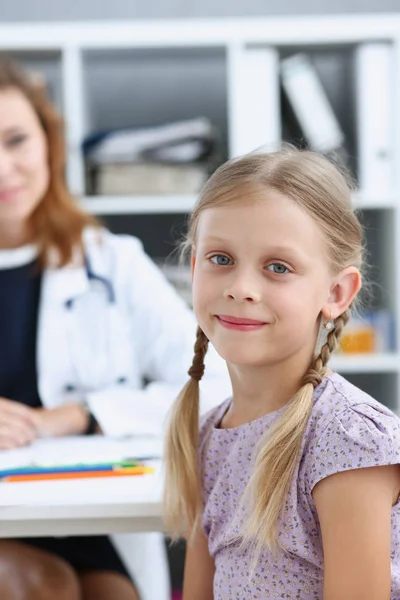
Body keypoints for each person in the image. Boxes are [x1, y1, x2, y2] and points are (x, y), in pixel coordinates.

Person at [0, 58, 231, 600]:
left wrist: (83, 414)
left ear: (49, 145)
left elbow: (214, 384)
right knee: (40, 585)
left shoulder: (111, 262)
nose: (3, 168)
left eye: (15, 141)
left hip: (79, 509)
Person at [164, 148, 400, 599]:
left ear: (336, 292)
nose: (240, 289)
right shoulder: (207, 436)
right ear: (193, 269)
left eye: (278, 268)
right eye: (220, 259)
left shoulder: (349, 440)